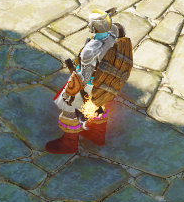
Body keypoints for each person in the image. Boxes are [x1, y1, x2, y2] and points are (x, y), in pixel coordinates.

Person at [45, 9, 132, 154]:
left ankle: (69, 143)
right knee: (98, 106)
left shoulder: (91, 49)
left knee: (69, 109)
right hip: (105, 85)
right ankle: (97, 135)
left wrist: (71, 90)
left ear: (93, 26)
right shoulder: (113, 37)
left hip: (90, 85)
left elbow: (84, 76)